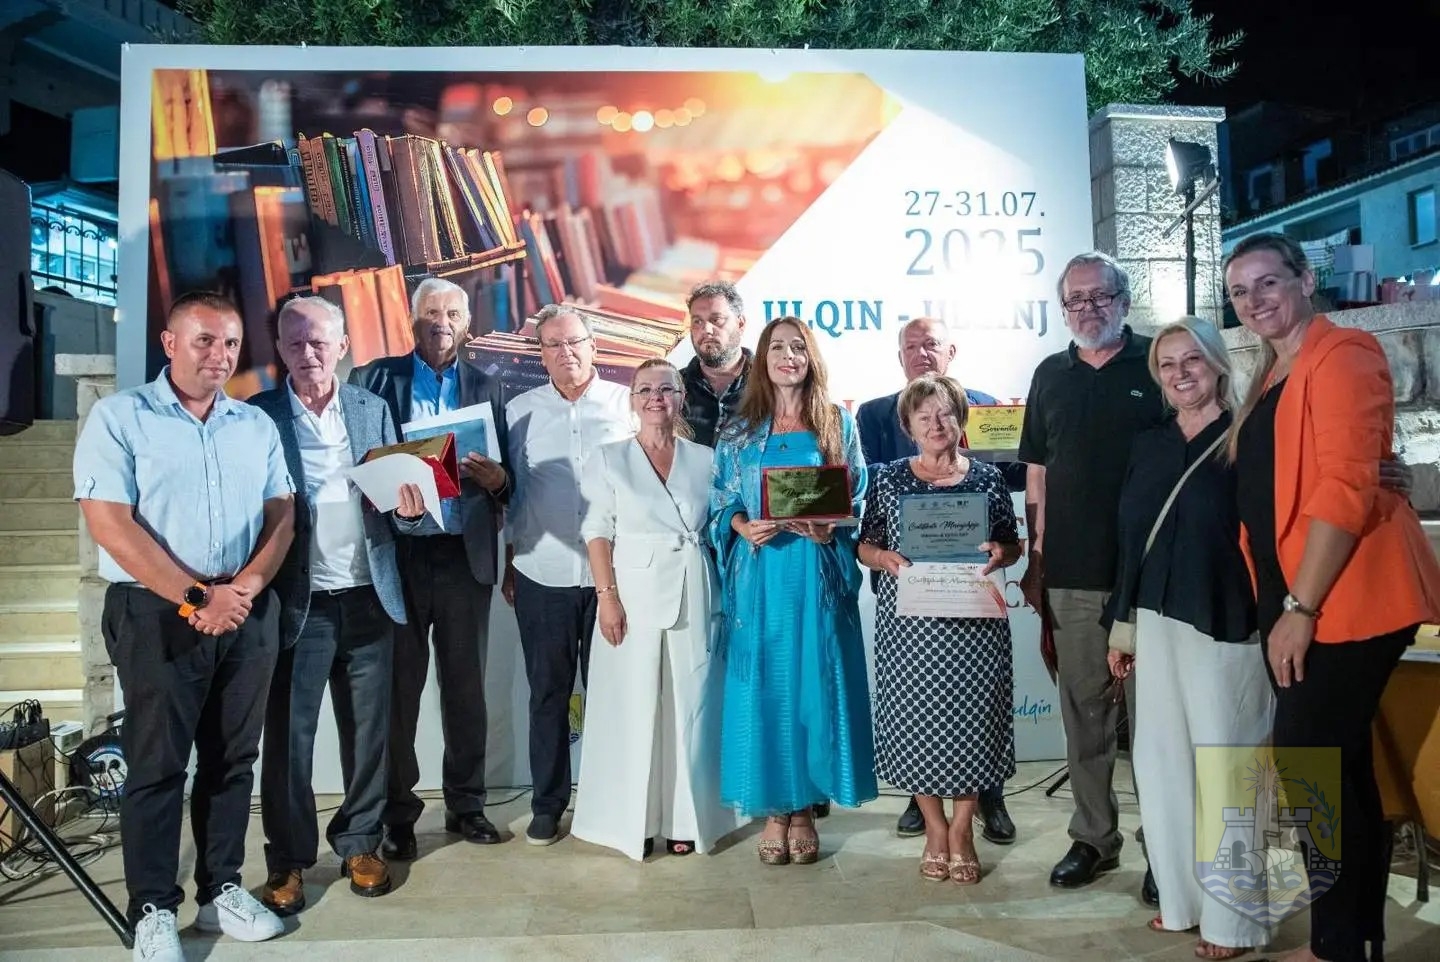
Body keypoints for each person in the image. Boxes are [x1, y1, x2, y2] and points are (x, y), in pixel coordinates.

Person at [1226, 233, 1440, 962]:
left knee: (1312, 765)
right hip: (1293, 593)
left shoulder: (1342, 352)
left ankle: (1338, 944)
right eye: (1240, 290)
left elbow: (1346, 484)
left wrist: (1301, 609)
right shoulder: (1271, 371)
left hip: (1338, 598)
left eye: (1268, 282)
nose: (1254, 300)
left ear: (1305, 279)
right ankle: (1349, 939)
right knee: (1334, 766)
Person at [74, 291, 294, 961]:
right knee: (158, 764)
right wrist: (197, 596)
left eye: (230, 343)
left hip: (244, 609)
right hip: (155, 611)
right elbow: (111, 523)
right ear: (170, 343)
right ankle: (152, 907)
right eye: (204, 340)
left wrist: (244, 588)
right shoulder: (121, 417)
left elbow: (282, 512)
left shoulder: (254, 424)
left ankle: (220, 888)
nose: (219, 355)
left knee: (232, 759)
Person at [1102, 318, 1274, 959]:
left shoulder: (1249, 435)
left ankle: (1237, 922)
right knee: (1161, 764)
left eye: (1191, 360)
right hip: (1156, 620)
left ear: (1218, 364)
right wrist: (1122, 625)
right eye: (1167, 364)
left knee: (1232, 768)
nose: (1180, 373)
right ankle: (1182, 903)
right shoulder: (1148, 443)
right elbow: (1130, 539)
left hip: (1230, 621)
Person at [251, 297, 422, 914]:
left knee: (370, 734)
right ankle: (288, 860)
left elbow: (398, 502)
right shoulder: (258, 415)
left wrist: (411, 512)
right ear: (279, 349)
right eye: (294, 343)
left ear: (343, 347)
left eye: (319, 342)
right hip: (298, 605)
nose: (308, 354)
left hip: (370, 595)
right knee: (289, 742)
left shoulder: (372, 409)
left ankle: (360, 843)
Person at [1017, 251, 1166, 902]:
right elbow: (1038, 471)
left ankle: (1164, 848)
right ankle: (1094, 839)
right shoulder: (1049, 374)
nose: (1087, 309)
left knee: (1156, 723)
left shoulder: (1159, 363)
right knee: (1085, 716)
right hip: (1072, 575)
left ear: (1124, 301)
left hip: (1153, 576)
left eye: (1099, 296)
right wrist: (1037, 557)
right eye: (1074, 299)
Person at [348, 276, 512, 855]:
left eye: (452, 314)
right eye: (431, 314)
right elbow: (357, 463)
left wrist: (497, 479)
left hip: (466, 556)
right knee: (399, 693)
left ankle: (467, 805)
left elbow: (509, 479)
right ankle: (398, 816)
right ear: (411, 321)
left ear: (467, 325)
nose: (442, 323)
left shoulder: (489, 385)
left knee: (466, 690)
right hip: (400, 556)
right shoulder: (373, 379)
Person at [709, 316, 877, 864]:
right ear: (762, 358)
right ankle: (774, 811)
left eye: (798, 347)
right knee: (767, 686)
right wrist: (740, 525)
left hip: (815, 572)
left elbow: (858, 496)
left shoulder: (837, 423)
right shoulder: (739, 430)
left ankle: (803, 809)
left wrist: (831, 526)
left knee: (812, 685)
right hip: (761, 575)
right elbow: (721, 500)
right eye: (777, 347)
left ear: (811, 357)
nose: (788, 356)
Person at [855, 316, 1017, 844]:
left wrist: (1003, 552)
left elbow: (1011, 542)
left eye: (945, 413)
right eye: (924, 416)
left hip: (973, 620)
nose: (936, 423)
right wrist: (885, 559)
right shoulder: (888, 477)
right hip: (911, 623)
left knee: (974, 719)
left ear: (961, 418)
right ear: (909, 425)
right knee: (915, 718)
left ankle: (965, 826)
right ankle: (933, 826)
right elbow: (865, 545)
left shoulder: (988, 477)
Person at [570, 360, 741, 860]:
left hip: (696, 591)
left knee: (693, 707)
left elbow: (721, 521)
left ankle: (686, 820)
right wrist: (607, 597)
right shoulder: (609, 458)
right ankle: (633, 822)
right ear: (632, 399)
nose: (655, 398)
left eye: (666, 389)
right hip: (632, 597)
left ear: (681, 397)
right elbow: (596, 531)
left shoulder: (706, 458)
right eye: (645, 390)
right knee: (632, 706)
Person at [504, 304, 634, 845]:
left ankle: (615, 801)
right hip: (543, 574)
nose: (566, 353)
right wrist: (509, 560)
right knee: (547, 695)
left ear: (593, 345)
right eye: (553, 345)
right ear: (541, 355)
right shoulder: (519, 411)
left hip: (617, 577)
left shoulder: (628, 404)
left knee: (614, 695)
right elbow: (511, 493)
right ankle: (547, 804)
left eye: (575, 341)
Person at [679, 280, 751, 448]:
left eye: (716, 319)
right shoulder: (673, 386)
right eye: (697, 321)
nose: (706, 330)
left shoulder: (772, 383)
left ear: (740, 324)